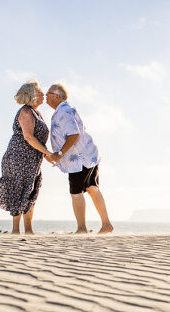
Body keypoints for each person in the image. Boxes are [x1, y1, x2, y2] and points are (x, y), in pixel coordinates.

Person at [45, 83, 113, 234]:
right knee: (92, 188)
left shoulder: (63, 112)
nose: (45, 95)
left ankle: (82, 228)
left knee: (76, 194)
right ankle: (106, 224)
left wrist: (60, 154)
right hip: (88, 155)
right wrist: (57, 156)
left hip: (79, 159)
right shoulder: (63, 110)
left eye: (48, 93)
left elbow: (73, 134)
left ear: (57, 96)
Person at [0, 80, 58, 234]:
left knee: (31, 191)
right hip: (18, 157)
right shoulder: (25, 112)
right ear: (31, 95)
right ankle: (16, 231)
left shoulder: (37, 113)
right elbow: (28, 137)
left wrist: (46, 154)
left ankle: (29, 230)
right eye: (39, 92)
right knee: (18, 190)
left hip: (33, 159)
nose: (43, 94)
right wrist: (48, 153)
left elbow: (37, 140)